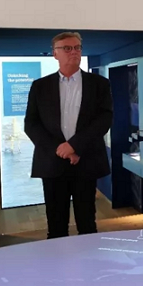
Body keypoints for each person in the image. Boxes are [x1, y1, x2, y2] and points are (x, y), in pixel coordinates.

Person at [24, 32, 113, 239]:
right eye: (67, 48)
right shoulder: (40, 86)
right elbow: (31, 124)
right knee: (56, 225)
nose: (73, 52)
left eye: (77, 48)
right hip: (52, 162)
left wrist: (74, 146)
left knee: (87, 222)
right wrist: (60, 149)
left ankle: (89, 260)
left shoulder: (99, 84)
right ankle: (57, 259)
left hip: (86, 161)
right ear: (55, 54)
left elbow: (104, 119)